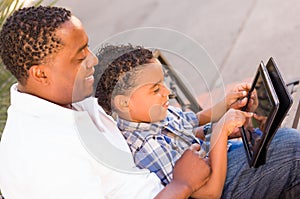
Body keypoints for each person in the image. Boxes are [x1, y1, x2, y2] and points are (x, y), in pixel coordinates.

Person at [0, 6, 211, 199]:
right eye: (79, 58)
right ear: (41, 74)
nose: (93, 60)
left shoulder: (68, 102)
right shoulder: (41, 156)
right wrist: (182, 184)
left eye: (87, 48)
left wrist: (209, 130)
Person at [94, 44, 300, 198]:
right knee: (292, 149)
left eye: (163, 83)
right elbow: (211, 193)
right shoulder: (148, 147)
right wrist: (220, 133)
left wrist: (227, 104)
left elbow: (194, 122)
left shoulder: (153, 114)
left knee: (278, 142)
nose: (168, 92)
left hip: (221, 157)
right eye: (156, 89)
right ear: (123, 103)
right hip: (222, 186)